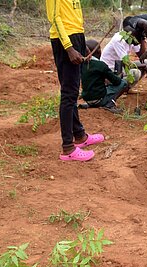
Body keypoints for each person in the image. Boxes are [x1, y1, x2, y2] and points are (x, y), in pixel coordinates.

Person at [46, 0, 104, 161]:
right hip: (65, 41)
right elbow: (54, 18)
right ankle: (68, 148)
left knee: (72, 92)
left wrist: (82, 45)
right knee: (68, 93)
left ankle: (80, 136)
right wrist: (69, 48)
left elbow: (75, 19)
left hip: (76, 37)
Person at [80, 39, 128, 114]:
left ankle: (92, 103)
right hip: (99, 99)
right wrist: (118, 76)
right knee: (123, 82)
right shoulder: (100, 65)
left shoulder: (81, 64)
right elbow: (117, 82)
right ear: (99, 51)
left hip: (87, 98)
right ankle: (109, 102)